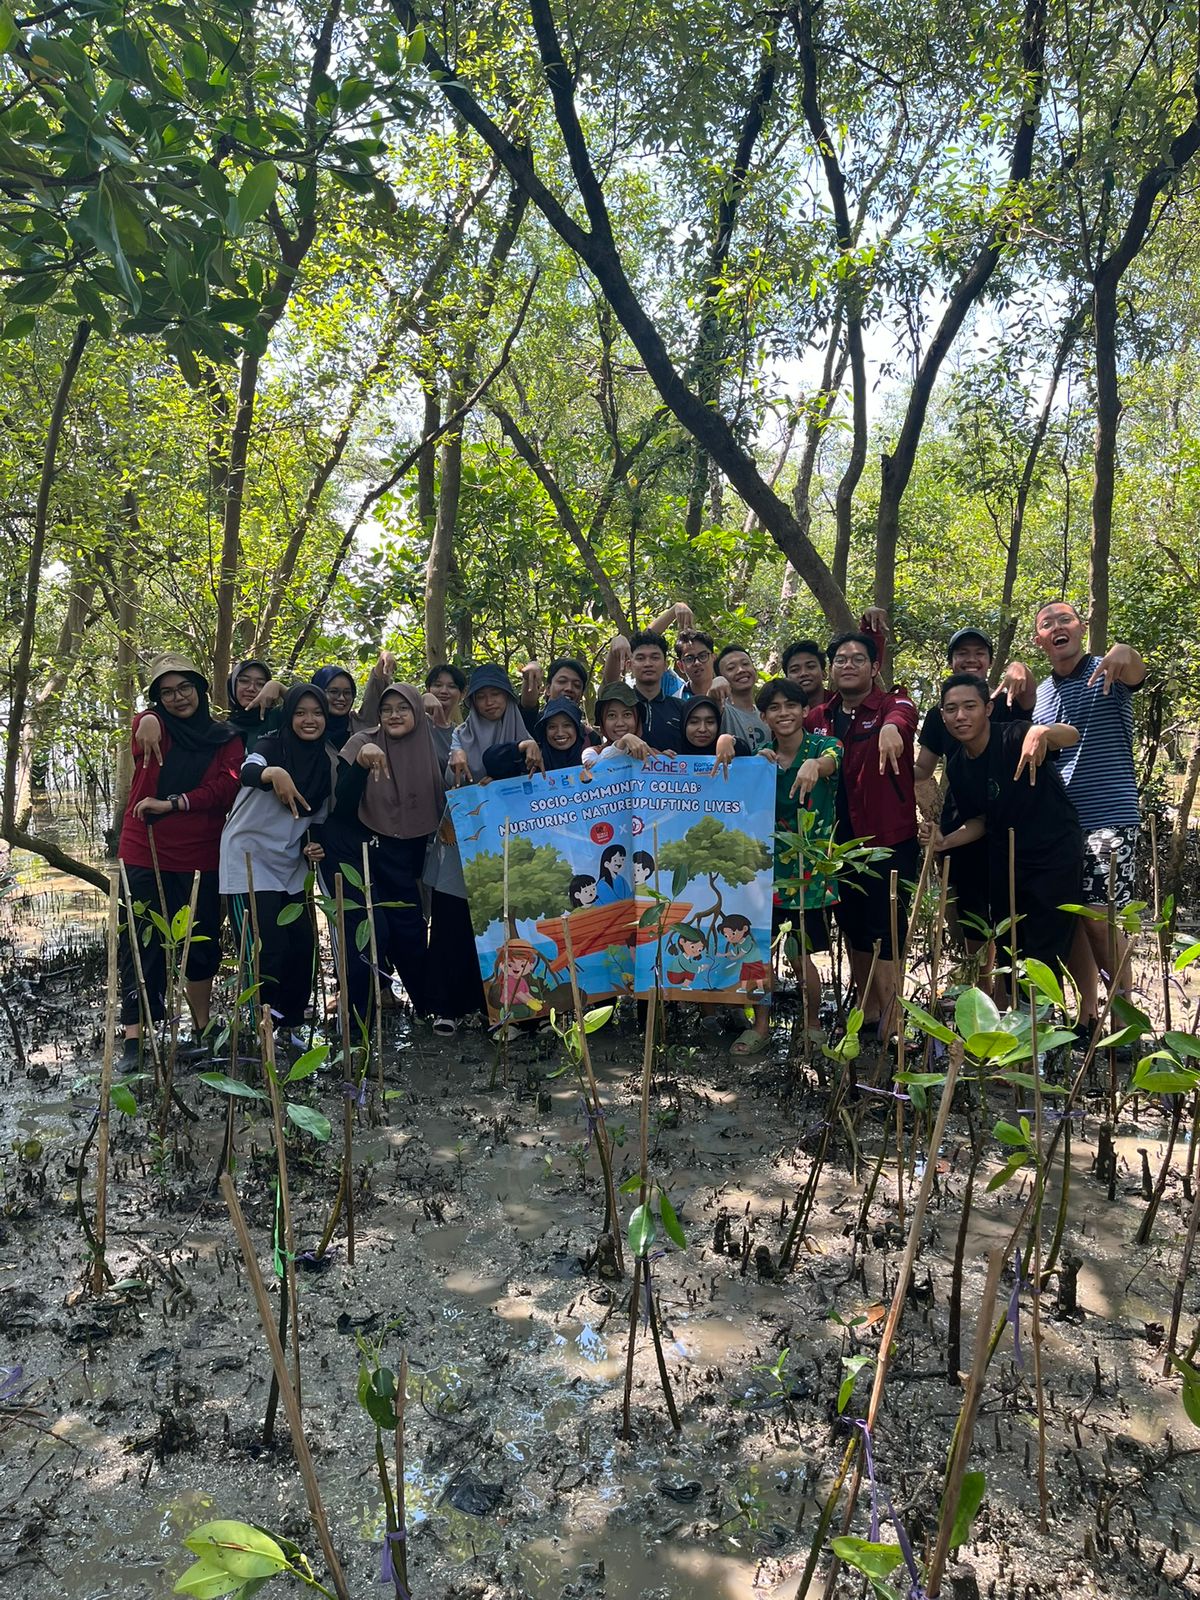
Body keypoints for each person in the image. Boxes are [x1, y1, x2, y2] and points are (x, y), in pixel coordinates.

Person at [116, 654, 243, 1067]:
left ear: (201, 689)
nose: (178, 698)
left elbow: (227, 788)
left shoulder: (224, 737)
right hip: (144, 847)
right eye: (166, 692)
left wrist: (174, 803)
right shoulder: (152, 726)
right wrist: (147, 716)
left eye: (185, 687)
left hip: (200, 852)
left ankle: (201, 1027)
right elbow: (141, 728)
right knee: (141, 942)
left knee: (200, 941)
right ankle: (135, 1038)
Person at [1024, 601, 1146, 1025]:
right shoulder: (1041, 694)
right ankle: (1087, 1016)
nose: (1057, 627)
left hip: (1109, 813)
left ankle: (1124, 1021)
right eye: (1047, 624)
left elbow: (1133, 667)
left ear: (1081, 627)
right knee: (1075, 918)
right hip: (1061, 822)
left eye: (1065, 619)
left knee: (1099, 917)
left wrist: (1123, 649)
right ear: (1039, 639)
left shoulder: (1108, 670)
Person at [921, 674, 1082, 987]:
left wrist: (1041, 731)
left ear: (988, 709)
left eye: (970, 706)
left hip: (1052, 857)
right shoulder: (957, 765)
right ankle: (1019, 1024)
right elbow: (978, 820)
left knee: (1044, 952)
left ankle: (1045, 1026)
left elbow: (1072, 735)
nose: (961, 716)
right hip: (1007, 863)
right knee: (1010, 952)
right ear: (943, 716)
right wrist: (944, 840)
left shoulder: (1015, 735)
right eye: (952, 709)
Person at [805, 630, 918, 1041]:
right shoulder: (818, 717)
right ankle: (867, 1008)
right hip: (837, 841)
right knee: (853, 925)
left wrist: (891, 729)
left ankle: (893, 1014)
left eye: (858, 659)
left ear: (875, 668)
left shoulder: (894, 704)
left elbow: (903, 718)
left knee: (888, 926)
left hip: (889, 837)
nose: (848, 665)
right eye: (840, 660)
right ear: (830, 671)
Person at [322, 684, 446, 1030]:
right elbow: (342, 805)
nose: (394, 715)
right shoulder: (363, 742)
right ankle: (358, 1020)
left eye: (403, 708)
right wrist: (361, 765)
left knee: (409, 928)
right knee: (369, 930)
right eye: (387, 708)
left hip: (401, 850)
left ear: (417, 714)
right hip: (353, 850)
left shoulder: (431, 745)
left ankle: (428, 1009)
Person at [913, 628, 1036, 969]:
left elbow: (1029, 695)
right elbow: (923, 769)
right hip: (964, 820)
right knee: (972, 910)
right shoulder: (942, 713)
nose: (970, 659)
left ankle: (1010, 993)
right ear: (951, 662)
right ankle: (980, 984)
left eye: (978, 652)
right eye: (962, 653)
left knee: (1014, 910)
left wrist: (1021, 668)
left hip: (1012, 823)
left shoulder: (1007, 700)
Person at [733, 678, 842, 1056]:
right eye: (774, 708)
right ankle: (760, 1026)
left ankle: (812, 1025)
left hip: (806, 872)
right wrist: (751, 769)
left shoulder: (824, 746)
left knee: (799, 952)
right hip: (764, 871)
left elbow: (833, 763)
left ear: (804, 711)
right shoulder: (762, 756)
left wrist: (815, 765)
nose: (784, 713)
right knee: (760, 952)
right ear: (763, 716)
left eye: (790, 706)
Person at [220, 684, 334, 1045]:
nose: (309, 720)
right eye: (300, 712)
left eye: (317, 713)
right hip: (249, 859)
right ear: (288, 716)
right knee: (265, 947)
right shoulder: (271, 745)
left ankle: (289, 1026)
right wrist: (274, 774)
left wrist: (314, 846)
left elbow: (317, 821)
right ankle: (263, 1027)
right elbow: (248, 769)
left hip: (289, 862)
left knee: (302, 946)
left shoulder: (327, 760)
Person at [424, 665, 528, 1032]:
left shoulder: (528, 735)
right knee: (453, 924)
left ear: (509, 697)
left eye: (496, 695)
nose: (489, 703)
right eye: (481, 697)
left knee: (502, 926)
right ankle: (449, 1007)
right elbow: (448, 776)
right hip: (461, 847)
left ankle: (502, 1008)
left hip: (512, 849)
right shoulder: (459, 737)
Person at [600, 628, 685, 750]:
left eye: (655, 658)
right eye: (640, 658)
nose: (648, 663)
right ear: (629, 665)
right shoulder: (619, 705)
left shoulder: (681, 708)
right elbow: (608, 684)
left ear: (666, 665)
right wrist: (615, 643)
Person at [483, 697, 586, 778]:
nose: (559, 733)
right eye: (552, 727)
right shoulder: (533, 758)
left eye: (567, 725)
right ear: (544, 731)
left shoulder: (589, 756)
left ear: (577, 728)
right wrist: (521, 746)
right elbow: (490, 760)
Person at [311, 653, 392, 750]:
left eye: (347, 693)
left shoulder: (359, 724)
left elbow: (375, 693)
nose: (341, 698)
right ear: (318, 692)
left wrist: (384, 659)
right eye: (333, 692)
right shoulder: (307, 725)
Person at [713, 645, 770, 752]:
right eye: (731, 668)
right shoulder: (722, 709)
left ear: (755, 671)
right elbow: (708, 706)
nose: (740, 670)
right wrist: (716, 682)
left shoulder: (765, 714)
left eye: (745, 664)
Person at [225, 659, 286, 755]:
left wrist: (279, 687)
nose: (251, 689)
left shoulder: (277, 717)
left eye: (260, 684)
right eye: (244, 681)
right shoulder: (224, 730)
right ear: (233, 685)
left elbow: (305, 704)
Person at [583, 683, 652, 765]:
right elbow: (593, 769)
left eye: (627, 714)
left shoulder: (651, 754)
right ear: (602, 722)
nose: (620, 723)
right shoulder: (592, 753)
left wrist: (666, 760)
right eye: (611, 715)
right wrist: (621, 744)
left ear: (637, 720)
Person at [677, 696, 744, 771]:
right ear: (684, 724)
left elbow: (745, 750)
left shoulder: (724, 749)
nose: (702, 729)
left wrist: (730, 740)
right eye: (694, 722)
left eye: (710, 722)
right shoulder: (674, 752)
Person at [424, 663, 467, 762]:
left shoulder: (461, 735)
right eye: (437, 685)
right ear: (428, 689)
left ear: (462, 693)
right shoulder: (415, 722)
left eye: (452, 686)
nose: (444, 691)